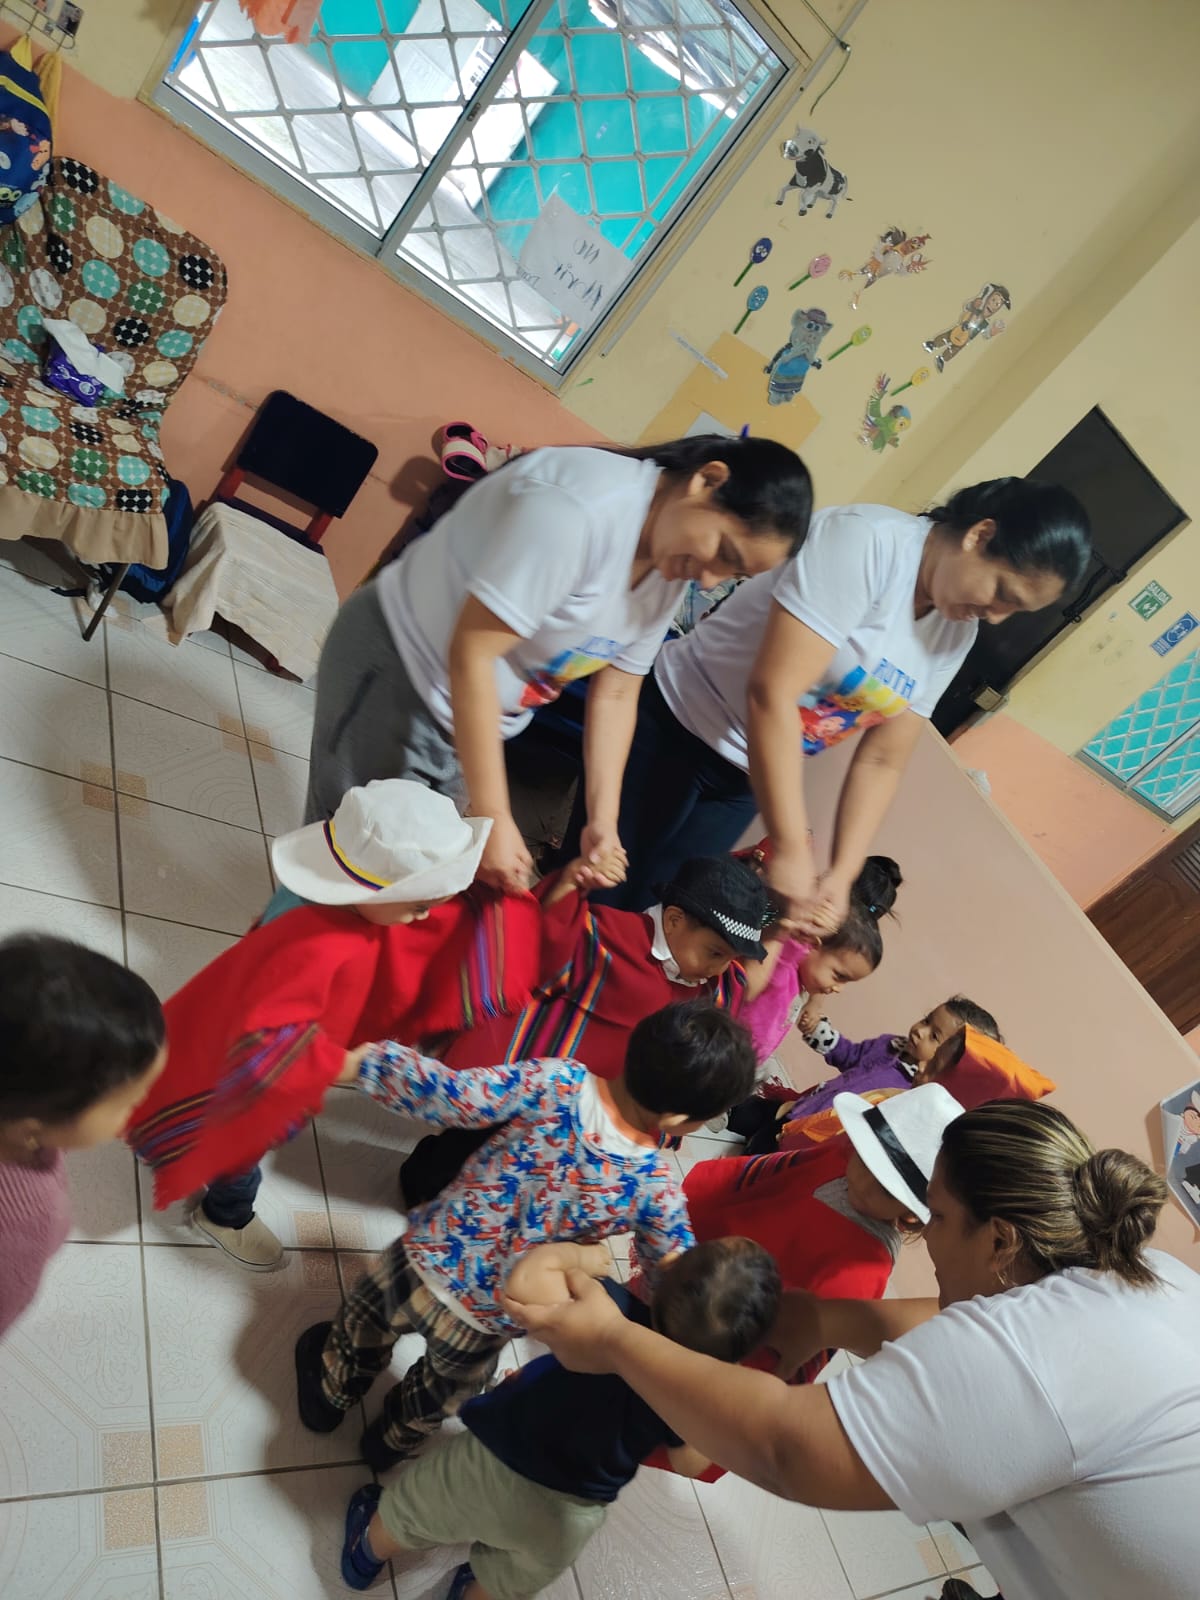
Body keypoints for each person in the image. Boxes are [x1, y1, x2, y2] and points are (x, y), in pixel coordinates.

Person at [509, 1100, 1197, 1600]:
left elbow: (786, 1448)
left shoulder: (1038, 1363)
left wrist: (614, 1340)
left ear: (1000, 1241)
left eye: (937, 1217)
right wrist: (828, 1318)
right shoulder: (1138, 1270)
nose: (925, 1237)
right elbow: (966, 1322)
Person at [558, 478, 1090, 922]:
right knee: (593, 889)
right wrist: (790, 845)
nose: (997, 616)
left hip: (744, 778)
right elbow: (771, 694)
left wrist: (841, 873)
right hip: (675, 726)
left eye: (1015, 611)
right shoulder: (866, 542)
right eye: (1002, 593)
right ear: (980, 535)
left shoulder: (955, 633)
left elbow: (882, 761)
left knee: (661, 915)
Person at [304, 436, 812, 893]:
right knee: (352, 869)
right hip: (400, 672)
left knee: (408, 880)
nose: (710, 580)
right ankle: (277, 956)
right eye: (723, 551)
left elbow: (617, 693)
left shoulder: (667, 572)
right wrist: (495, 813)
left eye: (733, 574)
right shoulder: (578, 510)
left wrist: (602, 822)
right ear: (708, 480)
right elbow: (473, 654)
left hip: (469, 713)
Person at [294, 1002, 757, 1473]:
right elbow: (672, 1272)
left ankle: (330, 1394)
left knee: (362, 1328)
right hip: (495, 1314)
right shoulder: (656, 1187)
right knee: (441, 1392)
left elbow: (456, 1095)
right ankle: (390, 1441)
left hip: (423, 1258)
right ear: (677, 1120)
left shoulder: (556, 1079)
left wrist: (365, 1064)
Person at [126, 781, 542, 1270]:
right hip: (246, 1073)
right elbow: (271, 1044)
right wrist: (347, 1065)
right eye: (418, 904)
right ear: (375, 890)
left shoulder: (315, 893)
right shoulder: (321, 949)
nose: (425, 916)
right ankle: (225, 1215)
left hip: (218, 1020)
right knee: (240, 1147)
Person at [337, 1237, 781, 1596]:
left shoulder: (611, 1306)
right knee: (508, 1581)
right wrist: (714, 1391)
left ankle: (364, 1556)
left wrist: (581, 1258)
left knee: (412, 1511)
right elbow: (689, 1463)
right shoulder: (689, 1395)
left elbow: (526, 1280)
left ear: (667, 1275)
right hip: (570, 1515)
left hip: (492, 1463)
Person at [398, 852, 772, 1208]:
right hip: (530, 1084)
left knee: (528, 1170)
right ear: (673, 920)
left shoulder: (716, 989)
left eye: (732, 958)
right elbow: (535, 944)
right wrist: (569, 883)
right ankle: (424, 1182)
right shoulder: (603, 937)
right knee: (463, 1152)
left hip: (589, 1114)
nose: (722, 969)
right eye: (715, 953)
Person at [638, 1083, 964, 1485]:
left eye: (883, 1186)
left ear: (911, 1215)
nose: (861, 1179)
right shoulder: (837, 1157)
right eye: (863, 1157)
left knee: (666, 1402)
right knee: (654, 1323)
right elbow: (762, 1178)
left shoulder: (864, 1267)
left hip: (736, 1334)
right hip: (714, 1277)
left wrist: (733, 1399)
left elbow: (794, 1346)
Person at [1, 936, 166, 1339]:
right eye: (125, 1103)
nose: (137, 1110)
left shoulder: (21, 1113)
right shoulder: (27, 1219)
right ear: (31, 1126)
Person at [731, 993, 1001, 1155]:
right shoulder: (889, 1045)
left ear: (948, 1063)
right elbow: (849, 1054)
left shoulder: (912, 1093)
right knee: (744, 1111)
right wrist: (818, 1030)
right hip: (804, 1106)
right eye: (926, 1020)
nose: (920, 1031)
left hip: (815, 1136)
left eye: (934, 1036)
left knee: (760, 1152)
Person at [739, 853, 902, 1070]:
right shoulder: (784, 961)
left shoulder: (801, 979)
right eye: (839, 976)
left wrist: (815, 1003)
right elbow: (787, 940)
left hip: (745, 1062)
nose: (839, 989)